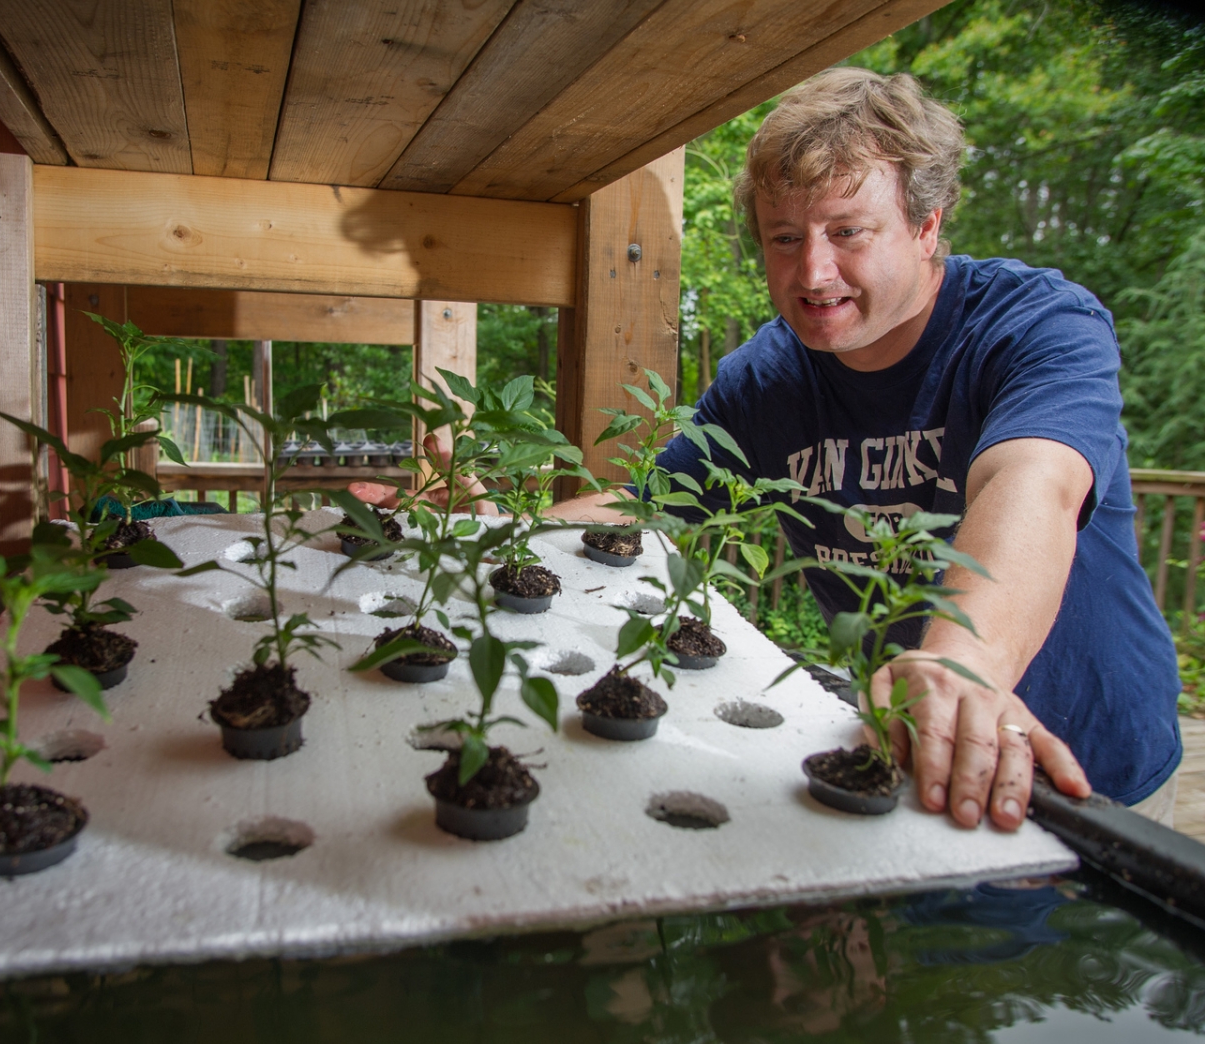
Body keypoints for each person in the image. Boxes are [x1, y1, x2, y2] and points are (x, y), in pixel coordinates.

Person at [354, 67, 1182, 830]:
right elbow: (651, 505)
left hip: (1087, 764)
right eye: (784, 239)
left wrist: (965, 662)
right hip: (901, 751)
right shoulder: (768, 377)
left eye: (849, 231)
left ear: (927, 226)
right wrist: (492, 526)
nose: (813, 273)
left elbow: (1034, 482)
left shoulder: (1035, 326)